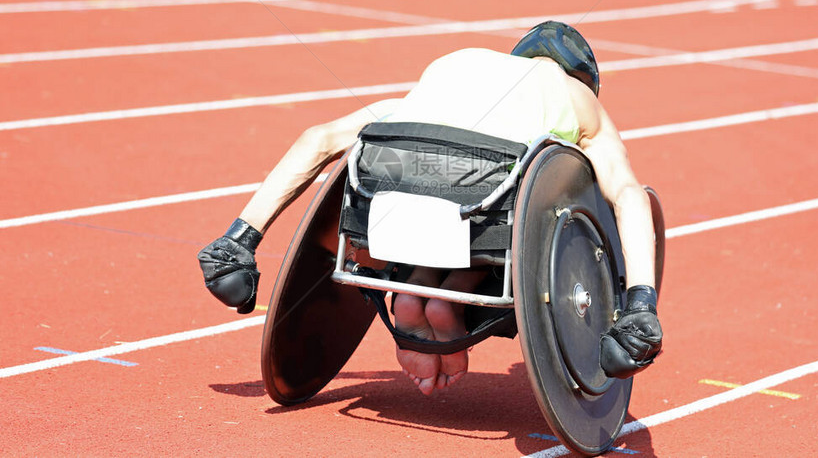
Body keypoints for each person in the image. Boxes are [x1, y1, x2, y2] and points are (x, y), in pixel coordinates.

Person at [198, 21, 663, 396]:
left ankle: (419, 294)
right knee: (512, 195)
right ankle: (440, 301)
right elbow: (626, 194)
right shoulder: (578, 98)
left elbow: (318, 140)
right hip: (482, 217)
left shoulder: (455, 69)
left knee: (438, 177)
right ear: (583, 79)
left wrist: (240, 239)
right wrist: (640, 305)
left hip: (381, 210)